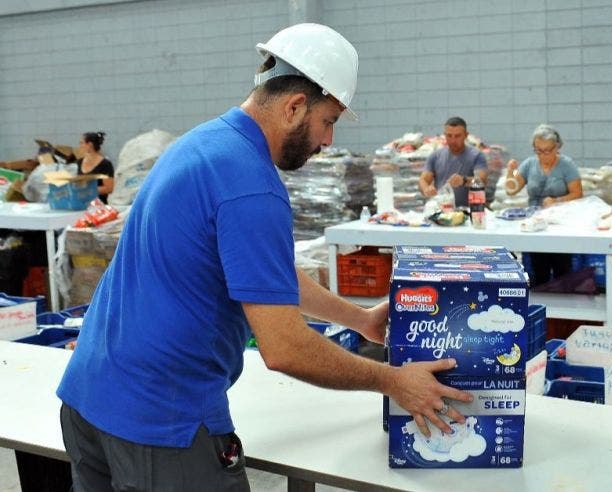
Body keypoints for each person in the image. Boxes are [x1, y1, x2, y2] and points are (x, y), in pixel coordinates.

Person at [56, 23, 472, 490]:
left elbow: (265, 274)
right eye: (328, 122)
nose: (328, 141)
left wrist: (359, 319)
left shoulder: (202, 143)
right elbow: (285, 349)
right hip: (161, 422)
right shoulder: (251, 185)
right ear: (295, 106)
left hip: (89, 400)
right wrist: (396, 381)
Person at [504, 124, 583, 285]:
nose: (543, 155)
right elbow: (511, 190)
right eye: (538, 150)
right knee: (538, 266)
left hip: (560, 223)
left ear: (557, 147)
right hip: (535, 223)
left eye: (548, 150)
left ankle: (563, 298)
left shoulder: (567, 165)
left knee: (561, 266)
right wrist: (510, 172)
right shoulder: (529, 164)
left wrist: (557, 201)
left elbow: (578, 193)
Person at [418, 117, 488, 207]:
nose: (453, 140)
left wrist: (464, 180)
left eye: (457, 136)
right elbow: (423, 179)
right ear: (444, 135)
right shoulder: (435, 156)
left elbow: (482, 182)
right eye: (449, 136)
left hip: (470, 212)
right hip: (443, 212)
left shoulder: (477, 156)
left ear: (466, 135)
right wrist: (426, 189)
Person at [76, 131, 115, 203]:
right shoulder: (80, 162)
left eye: (82, 143)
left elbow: (109, 188)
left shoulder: (105, 164)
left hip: (99, 206)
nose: (80, 146)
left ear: (90, 145)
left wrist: (89, 190)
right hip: (82, 204)